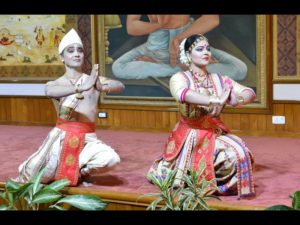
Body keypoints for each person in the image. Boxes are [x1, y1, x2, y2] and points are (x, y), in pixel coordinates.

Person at [147, 34, 256, 198]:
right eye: (199, 49)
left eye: (208, 49)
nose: (206, 52)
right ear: (188, 55)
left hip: (213, 131)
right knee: (230, 155)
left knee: (241, 151)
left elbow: (250, 93)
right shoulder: (180, 78)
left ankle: (218, 182)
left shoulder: (219, 79)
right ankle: (194, 177)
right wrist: (214, 99)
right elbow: (183, 94)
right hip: (190, 134)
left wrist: (236, 99)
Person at [15, 29, 125, 186]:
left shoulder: (93, 80)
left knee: (111, 159)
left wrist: (102, 86)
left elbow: (120, 85)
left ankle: (79, 172)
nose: (76, 54)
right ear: (62, 57)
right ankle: (54, 167)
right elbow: (49, 91)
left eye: (80, 50)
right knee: (35, 176)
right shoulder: (56, 83)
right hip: (60, 139)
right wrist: (79, 88)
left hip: (88, 139)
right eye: (71, 50)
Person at [112, 15, 247, 81]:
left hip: (190, 40)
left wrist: (180, 39)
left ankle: (179, 68)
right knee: (118, 68)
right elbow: (132, 26)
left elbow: (212, 18)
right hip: (155, 45)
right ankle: (188, 70)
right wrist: (159, 26)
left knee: (239, 69)